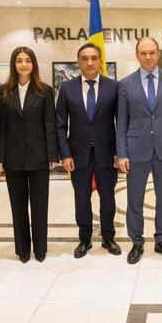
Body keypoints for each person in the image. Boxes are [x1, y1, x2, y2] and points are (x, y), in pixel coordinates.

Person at [117, 37, 162, 264]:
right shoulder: (125, 84)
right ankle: (137, 241)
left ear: (158, 54)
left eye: (152, 52)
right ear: (137, 55)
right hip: (136, 151)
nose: (148, 57)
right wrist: (122, 153)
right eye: (143, 53)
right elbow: (121, 122)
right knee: (134, 199)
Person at [0, 47, 58, 263]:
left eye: (28, 60)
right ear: (14, 64)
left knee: (39, 205)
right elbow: (1, 126)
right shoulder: (4, 91)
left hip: (39, 156)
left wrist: (52, 154)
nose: (24, 64)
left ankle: (40, 249)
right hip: (12, 157)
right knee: (18, 205)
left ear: (33, 64)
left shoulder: (45, 90)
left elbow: (50, 124)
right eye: (19, 60)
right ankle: (22, 249)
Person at [56, 43, 121, 258]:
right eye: (84, 58)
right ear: (78, 63)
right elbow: (60, 124)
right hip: (77, 154)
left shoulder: (114, 87)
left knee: (108, 198)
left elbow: (121, 122)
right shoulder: (67, 88)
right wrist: (65, 154)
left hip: (107, 154)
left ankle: (108, 237)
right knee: (81, 199)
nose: (90, 62)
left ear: (100, 61)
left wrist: (120, 151)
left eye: (94, 58)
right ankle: (84, 239)